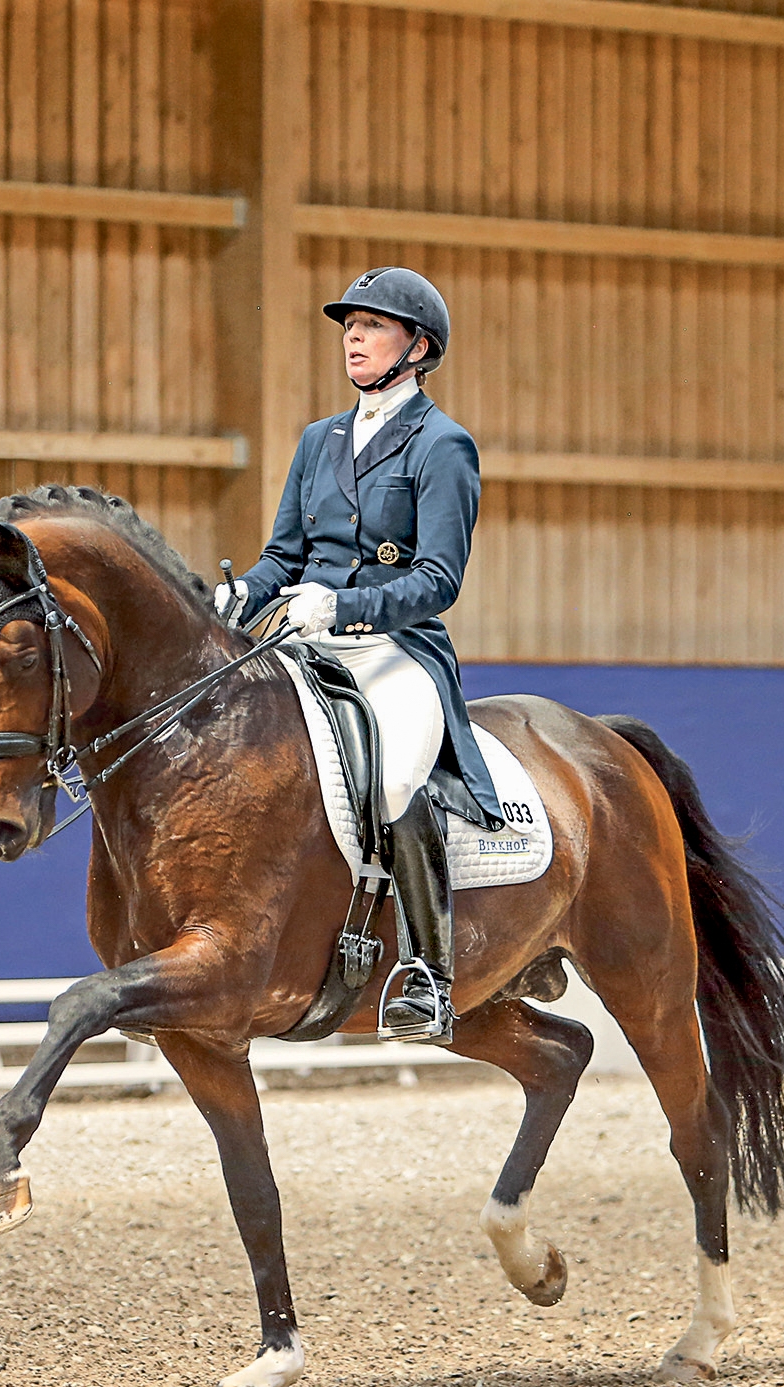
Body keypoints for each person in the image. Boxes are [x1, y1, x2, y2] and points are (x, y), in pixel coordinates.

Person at [219, 267, 500, 1045]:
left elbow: (438, 579)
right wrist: (243, 594)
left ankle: (429, 979)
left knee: (398, 778)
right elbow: (284, 555)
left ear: (417, 346)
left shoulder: (443, 446)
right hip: (300, 635)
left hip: (393, 648)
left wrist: (344, 604)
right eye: (349, 325)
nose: (352, 336)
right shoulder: (320, 440)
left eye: (372, 325)